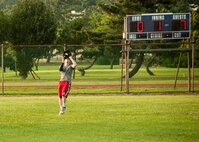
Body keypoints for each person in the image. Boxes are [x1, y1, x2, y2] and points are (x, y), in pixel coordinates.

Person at [58, 51, 77, 115]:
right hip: (61, 82)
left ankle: (64, 105)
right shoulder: (62, 66)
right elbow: (60, 69)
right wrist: (63, 61)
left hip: (67, 82)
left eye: (68, 61)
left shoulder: (70, 67)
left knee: (63, 94)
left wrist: (70, 58)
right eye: (66, 61)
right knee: (60, 96)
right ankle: (61, 110)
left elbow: (75, 64)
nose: (67, 61)